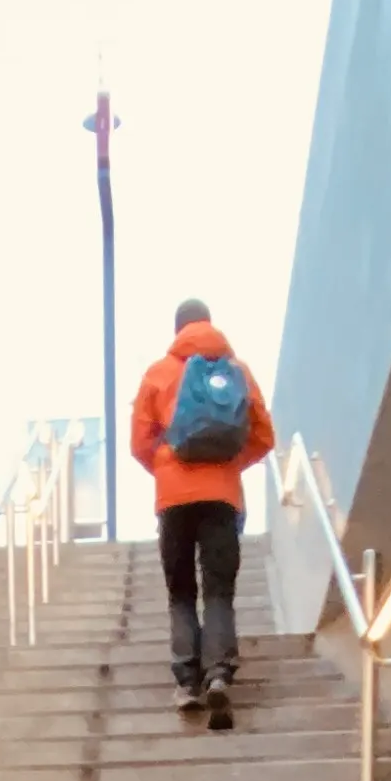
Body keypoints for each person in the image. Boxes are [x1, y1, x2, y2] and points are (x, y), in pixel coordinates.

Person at [126, 299, 275, 730]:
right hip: (222, 497)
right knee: (218, 590)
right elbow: (263, 435)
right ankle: (219, 673)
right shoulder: (236, 371)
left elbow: (139, 442)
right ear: (210, 324)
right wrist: (228, 465)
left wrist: (168, 466)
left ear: (176, 329)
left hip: (173, 499)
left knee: (180, 592)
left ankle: (188, 682)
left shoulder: (158, 373)